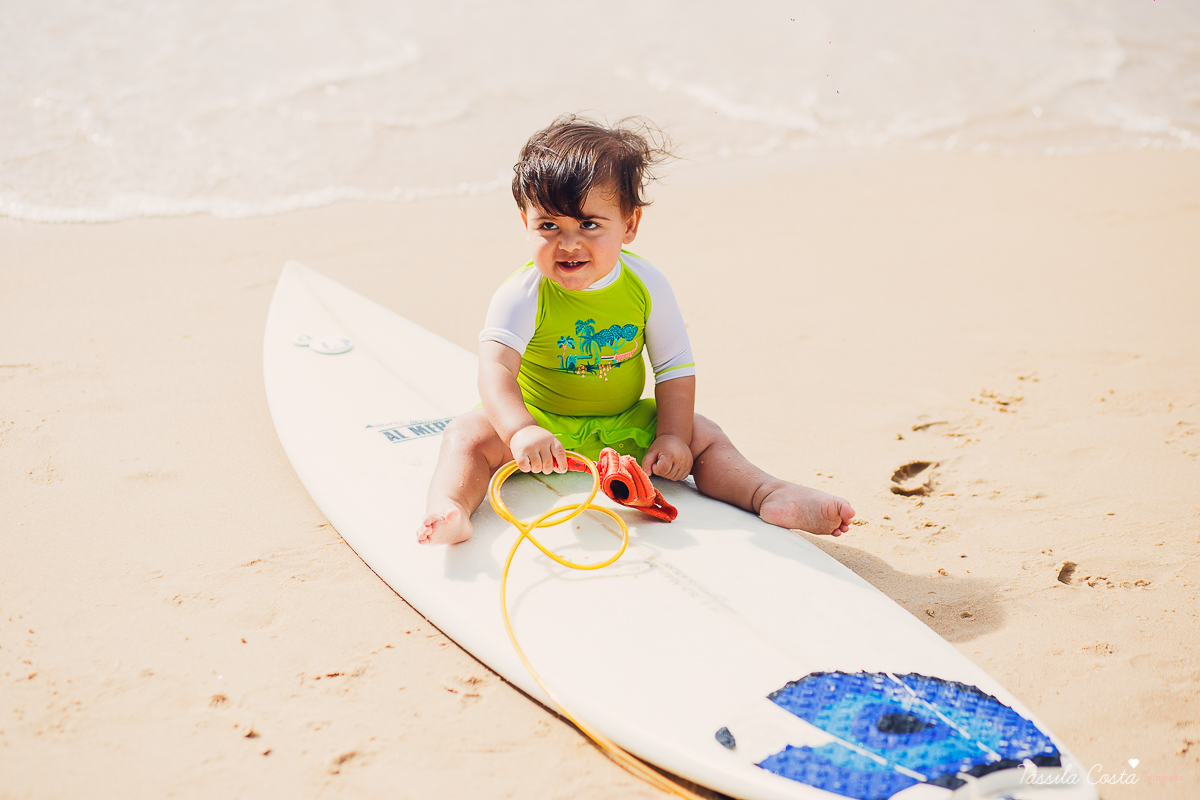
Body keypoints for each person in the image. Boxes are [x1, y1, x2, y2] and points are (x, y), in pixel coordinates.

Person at [418, 116, 854, 545]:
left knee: (706, 435)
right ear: (525, 222)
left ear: (629, 225)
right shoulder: (522, 293)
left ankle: (769, 493)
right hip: (544, 426)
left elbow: (674, 368)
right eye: (548, 225)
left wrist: (673, 436)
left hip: (624, 423)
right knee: (465, 435)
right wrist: (519, 431)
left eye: (589, 224)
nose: (568, 243)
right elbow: (495, 371)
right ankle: (449, 507)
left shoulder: (647, 285)